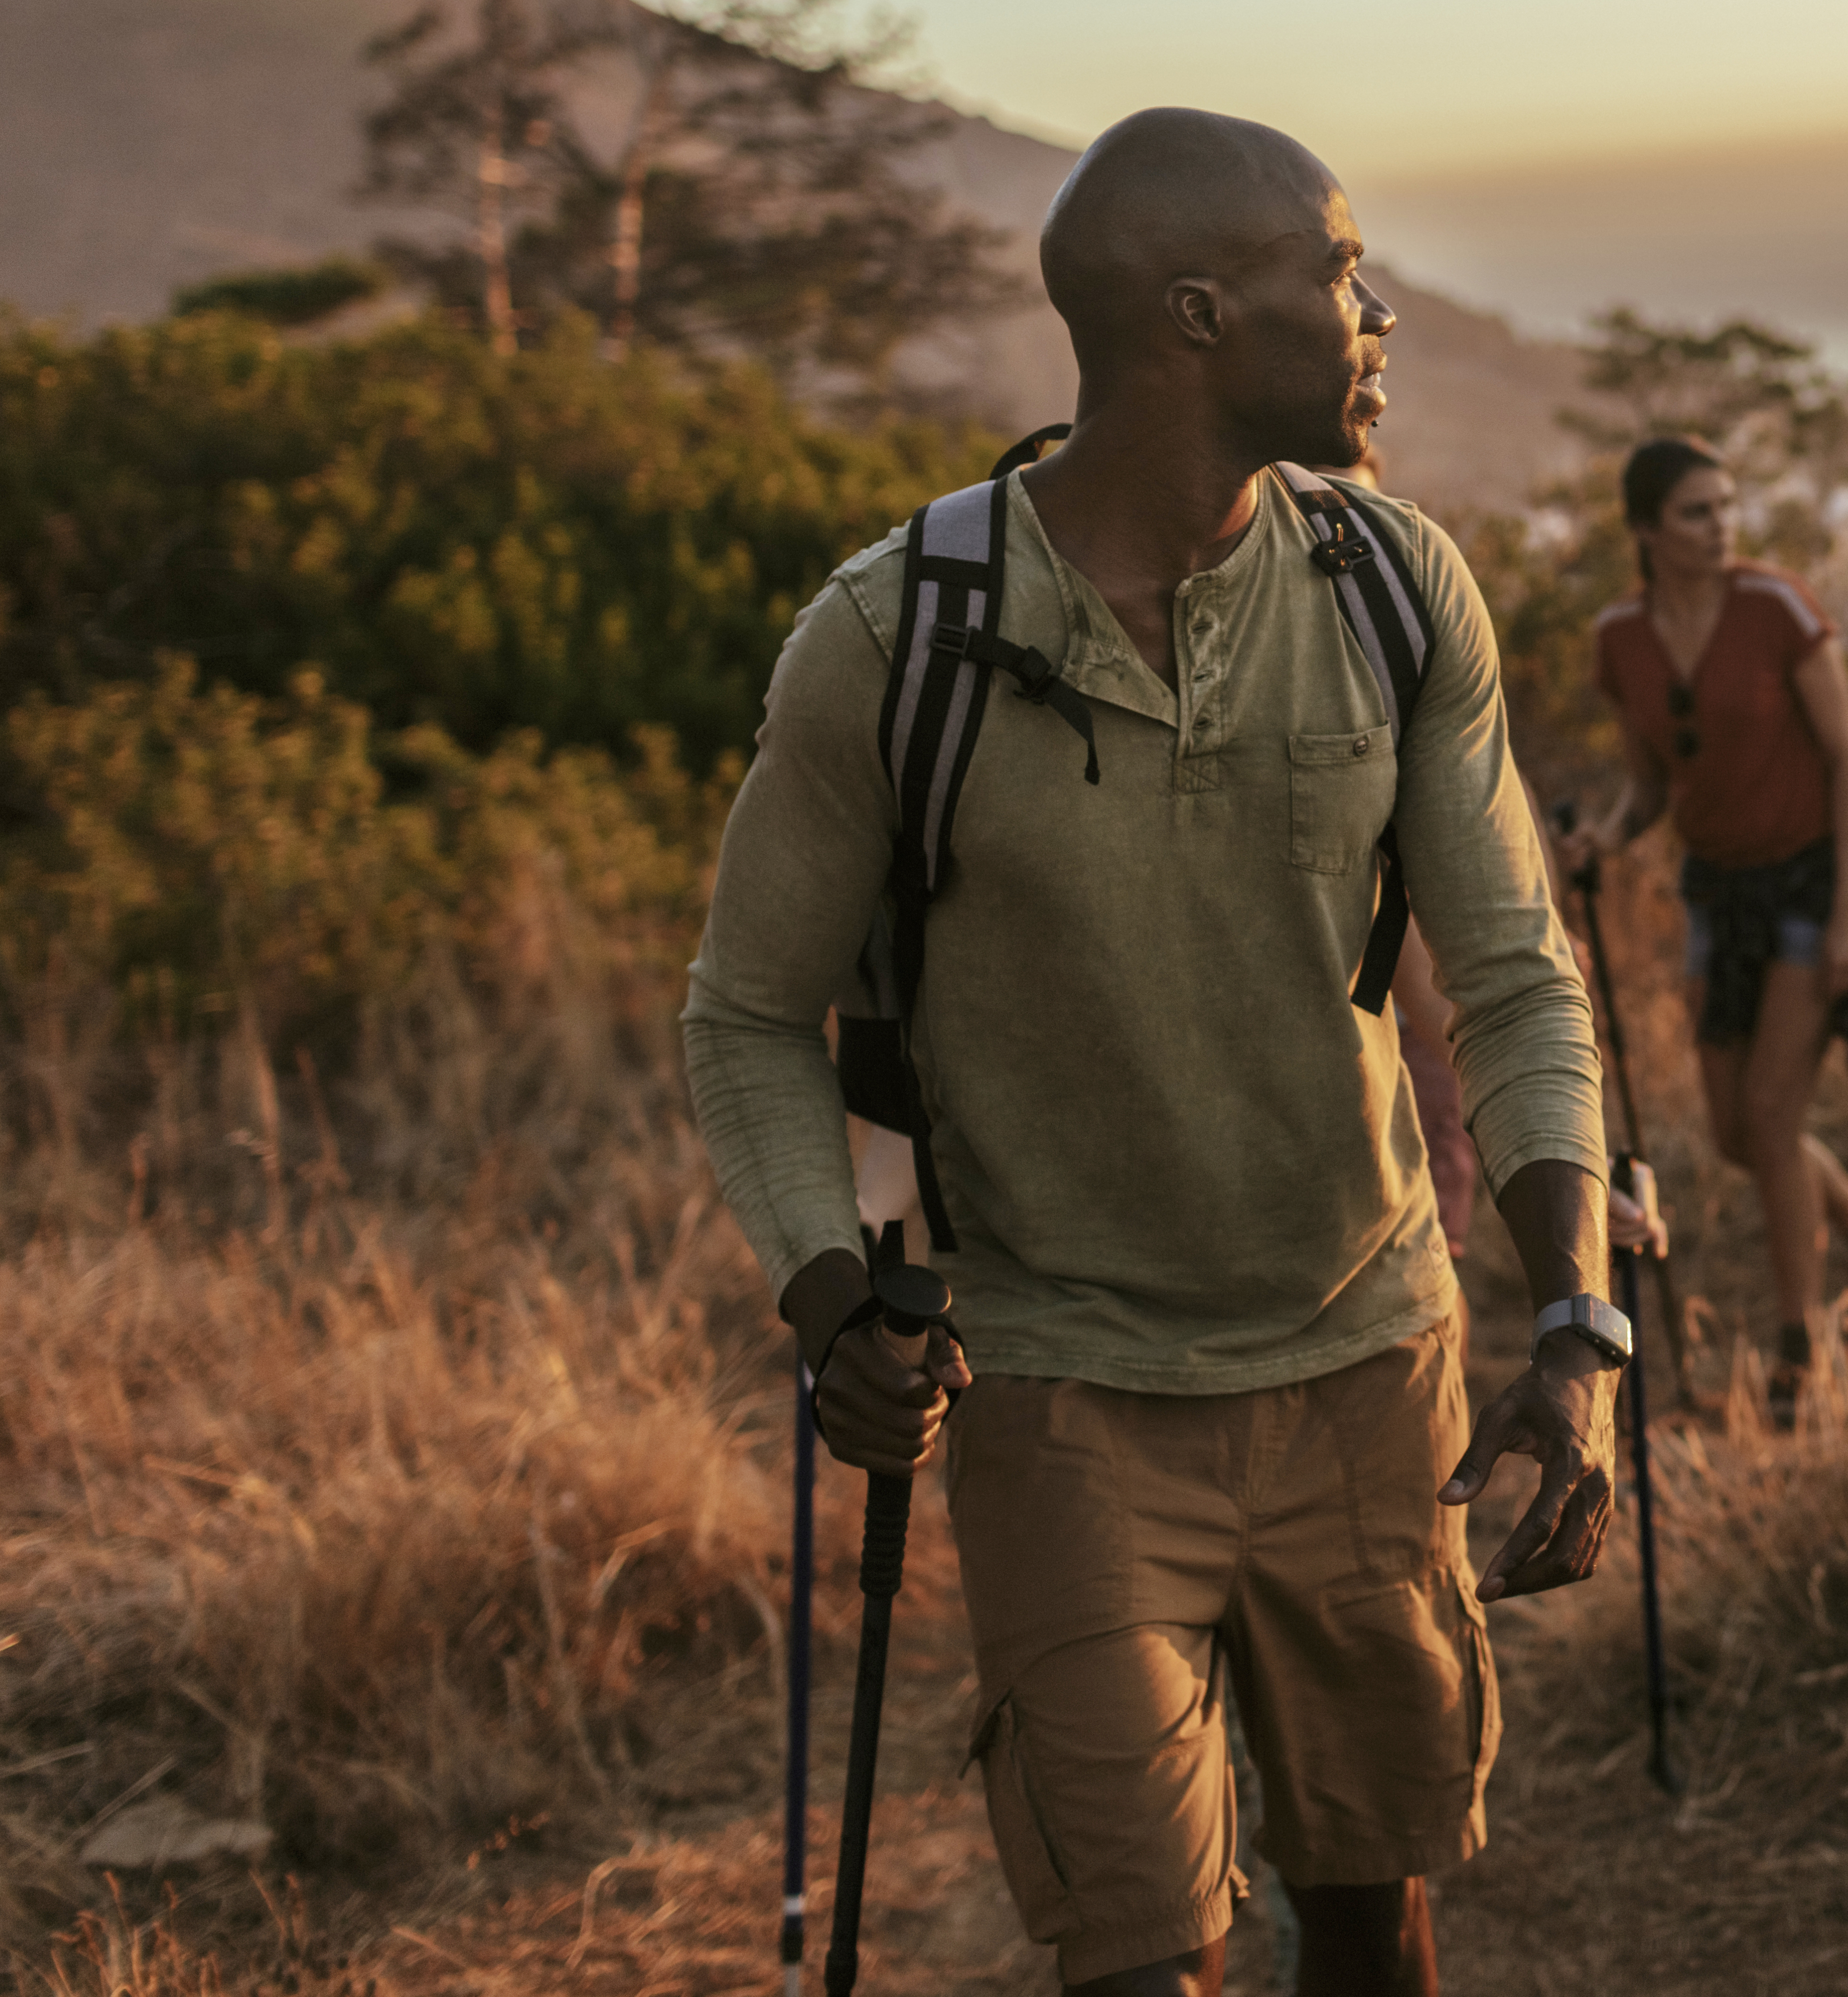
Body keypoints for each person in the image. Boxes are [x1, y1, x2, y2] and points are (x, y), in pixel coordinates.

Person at [682, 108, 1621, 1997]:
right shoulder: (898, 638)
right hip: (1058, 1389)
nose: (1373, 317)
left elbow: (1516, 977)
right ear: (1197, 316)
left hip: (1368, 1364)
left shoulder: (1390, 587)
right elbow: (748, 1012)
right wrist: (827, 1298)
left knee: (1370, 1911)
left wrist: (1577, 1318)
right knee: (1136, 1955)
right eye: (1338, 276)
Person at [1549, 437, 1848, 1417]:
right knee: (1735, 1132)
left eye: (1727, 505)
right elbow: (1651, 782)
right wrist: (1604, 837)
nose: (1721, 525)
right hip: (1717, 892)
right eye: (1697, 510)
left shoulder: (1777, 608)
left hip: (1812, 881)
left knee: (1769, 1116)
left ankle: (1798, 1352)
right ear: (1646, 529)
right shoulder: (1622, 637)